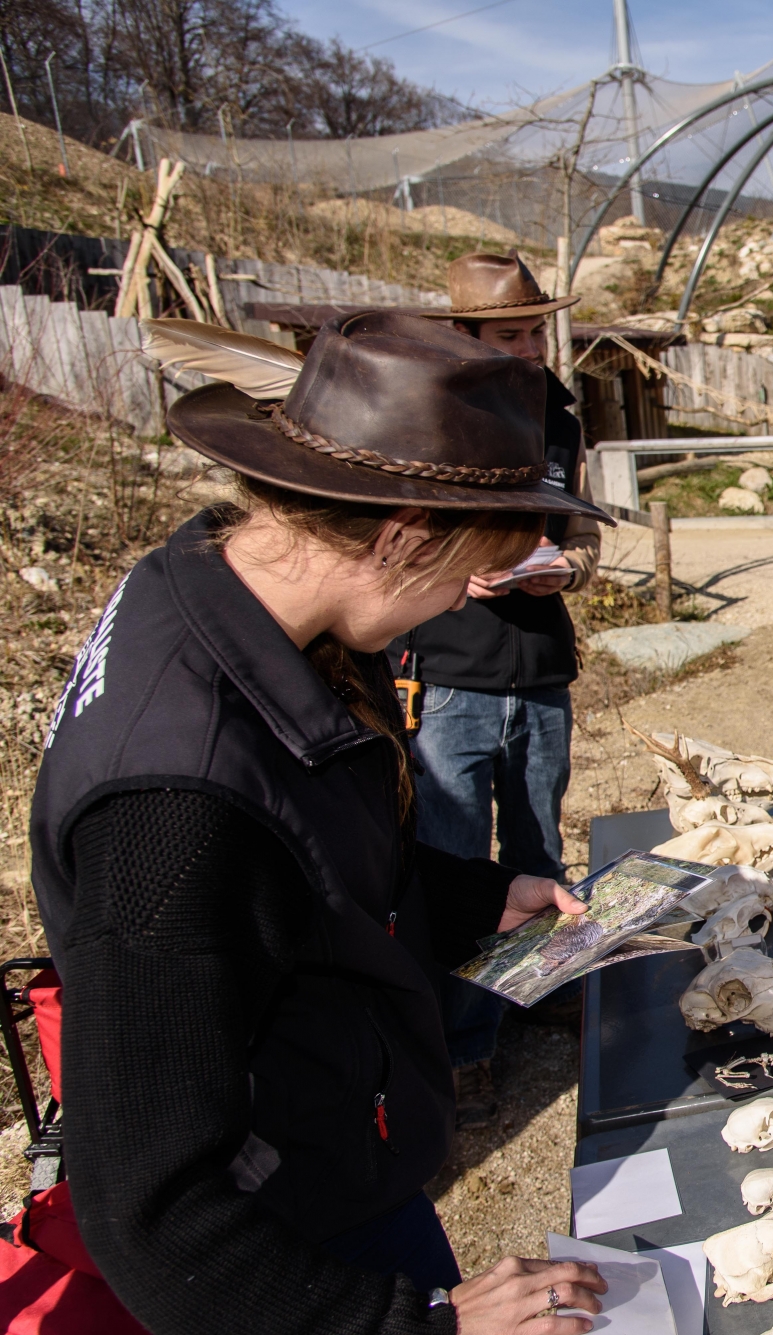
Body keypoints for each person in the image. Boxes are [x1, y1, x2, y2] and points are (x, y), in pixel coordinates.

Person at [28, 312, 611, 1332]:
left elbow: (300, 876)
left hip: (344, 1143)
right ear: (401, 533)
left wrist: (473, 893)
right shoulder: (172, 801)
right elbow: (150, 1211)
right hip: (282, 1241)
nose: (456, 607)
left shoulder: (245, 599)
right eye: (466, 574)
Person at [393, 252, 601, 1130]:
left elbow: (580, 523)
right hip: (448, 672)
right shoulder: (426, 409)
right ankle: (462, 1045)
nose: (530, 347)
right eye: (511, 334)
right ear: (465, 338)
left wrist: (572, 570)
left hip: (539, 665)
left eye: (536, 330)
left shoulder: (560, 410)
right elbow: (397, 530)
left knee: (537, 845)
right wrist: (457, 570)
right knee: (453, 861)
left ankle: (537, 991)